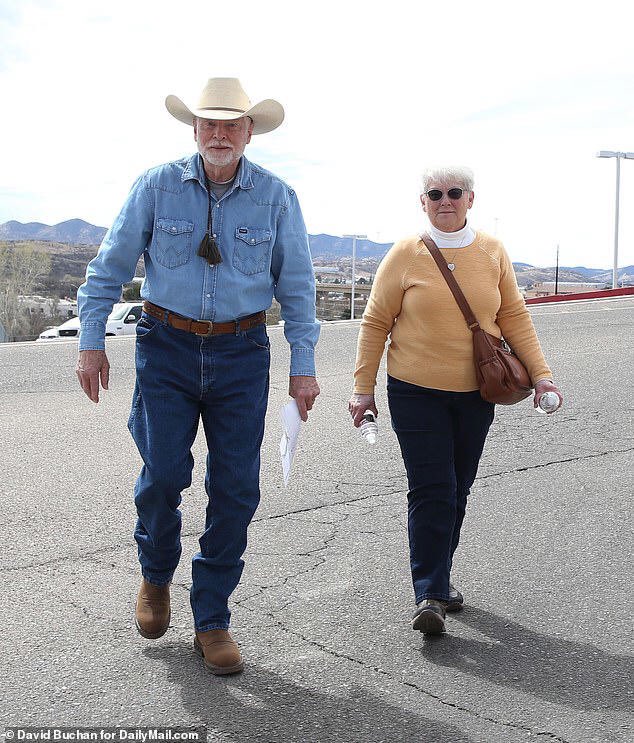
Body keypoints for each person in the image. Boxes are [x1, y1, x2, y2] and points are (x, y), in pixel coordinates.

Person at [76, 77, 320, 673]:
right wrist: (90, 343)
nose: (219, 134)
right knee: (162, 475)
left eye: (231, 124)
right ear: (194, 130)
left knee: (236, 489)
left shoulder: (277, 197)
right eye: (209, 123)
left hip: (241, 353)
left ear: (249, 132)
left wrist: (303, 367)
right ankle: (156, 575)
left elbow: (298, 288)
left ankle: (211, 617)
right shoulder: (157, 186)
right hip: (166, 348)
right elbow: (107, 268)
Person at [348, 166, 563, 635]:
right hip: (414, 392)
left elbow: (513, 317)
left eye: (455, 192)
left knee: (458, 487)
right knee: (433, 489)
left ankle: (439, 579)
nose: (445, 200)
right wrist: (362, 389)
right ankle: (428, 591)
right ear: (422, 201)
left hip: (475, 394)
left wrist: (542, 378)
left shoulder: (491, 252)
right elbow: (375, 322)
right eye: (435, 193)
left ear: (471, 199)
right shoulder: (405, 254)